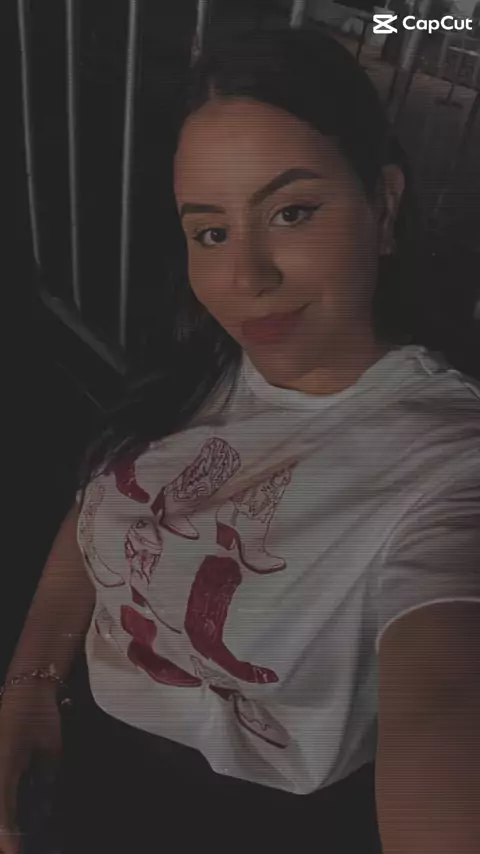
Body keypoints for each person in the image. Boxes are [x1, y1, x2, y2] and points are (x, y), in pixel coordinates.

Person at [1, 25, 480, 854]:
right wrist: (31, 682)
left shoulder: (447, 461)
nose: (246, 279)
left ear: (384, 204)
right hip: (84, 754)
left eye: (292, 213)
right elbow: (103, 507)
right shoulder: (204, 364)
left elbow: (443, 696)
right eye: (211, 232)